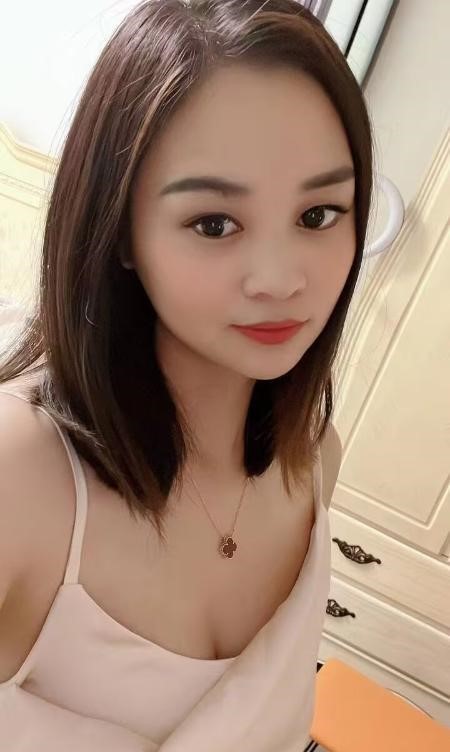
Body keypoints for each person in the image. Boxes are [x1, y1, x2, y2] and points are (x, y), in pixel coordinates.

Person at [0, 1, 373, 749]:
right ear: (120, 230)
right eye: (214, 224)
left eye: (319, 215)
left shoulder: (312, 455)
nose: (280, 279)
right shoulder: (23, 472)